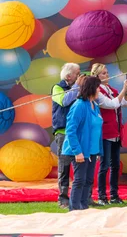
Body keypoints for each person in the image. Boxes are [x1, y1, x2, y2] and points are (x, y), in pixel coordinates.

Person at [61, 76, 104, 211]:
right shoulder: (79, 105)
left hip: (91, 151)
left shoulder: (95, 106)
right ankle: (74, 211)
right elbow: (71, 130)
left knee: (88, 181)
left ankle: (84, 208)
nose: (99, 90)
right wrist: (77, 151)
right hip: (79, 151)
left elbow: (96, 129)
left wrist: (97, 151)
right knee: (79, 181)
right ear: (91, 88)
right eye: (98, 88)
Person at [90, 63, 127, 205]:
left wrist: (126, 91)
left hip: (116, 132)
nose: (107, 75)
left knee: (115, 166)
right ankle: (102, 196)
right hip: (105, 133)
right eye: (103, 73)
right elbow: (112, 104)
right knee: (104, 165)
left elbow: (125, 102)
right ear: (96, 76)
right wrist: (123, 89)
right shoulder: (97, 91)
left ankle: (114, 195)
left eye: (107, 73)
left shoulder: (111, 89)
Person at [51, 63, 81, 208]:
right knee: (64, 166)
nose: (79, 76)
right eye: (77, 73)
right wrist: (77, 87)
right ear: (69, 76)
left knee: (80, 165)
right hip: (63, 132)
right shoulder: (57, 88)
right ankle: (62, 198)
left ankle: (80, 198)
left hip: (76, 132)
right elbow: (64, 101)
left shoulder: (78, 88)